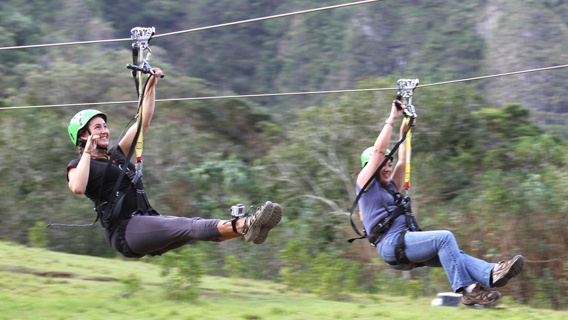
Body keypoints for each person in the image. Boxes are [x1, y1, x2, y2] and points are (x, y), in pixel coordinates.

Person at [66, 67, 282, 258]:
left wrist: (151, 86)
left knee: (192, 228)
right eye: (97, 127)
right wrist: (87, 151)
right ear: (83, 135)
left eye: (104, 126)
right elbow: (77, 187)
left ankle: (247, 229)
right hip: (126, 230)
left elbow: (144, 122)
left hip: (145, 221)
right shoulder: (78, 164)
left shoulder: (117, 155)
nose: (104, 131)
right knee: (188, 226)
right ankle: (247, 223)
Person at [354, 100, 524, 306]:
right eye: (383, 166)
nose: (388, 168)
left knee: (453, 253)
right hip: (391, 245)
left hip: (403, 243)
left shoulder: (390, 186)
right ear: (369, 167)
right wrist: (391, 118)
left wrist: (404, 130)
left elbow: (402, 161)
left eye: (388, 165)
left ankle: (491, 273)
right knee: (444, 238)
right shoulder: (366, 185)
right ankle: (469, 290)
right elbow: (379, 154)